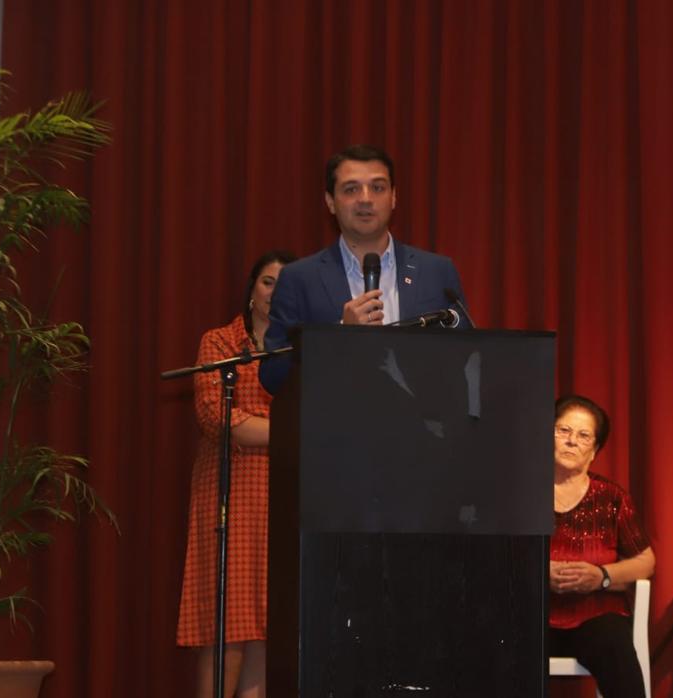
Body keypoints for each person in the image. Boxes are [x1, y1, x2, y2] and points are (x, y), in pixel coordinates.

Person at [259, 144, 470, 394]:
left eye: (378, 188)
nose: (366, 199)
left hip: (421, 427)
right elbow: (273, 375)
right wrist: (338, 337)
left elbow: (465, 357)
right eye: (351, 189)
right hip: (338, 428)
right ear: (330, 202)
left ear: (393, 197)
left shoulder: (436, 271)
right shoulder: (298, 278)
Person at [178, 249, 294, 698]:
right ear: (251, 293)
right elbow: (218, 420)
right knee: (226, 635)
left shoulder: (299, 352)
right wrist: (292, 430)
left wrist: (263, 427)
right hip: (228, 497)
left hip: (281, 499)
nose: (274, 292)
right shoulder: (220, 343)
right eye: (267, 282)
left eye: (286, 285)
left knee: (265, 635)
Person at [549, 394, 655, 698]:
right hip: (534, 613)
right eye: (563, 431)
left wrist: (602, 576)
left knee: (614, 644)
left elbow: (645, 561)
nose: (571, 442)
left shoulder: (612, 497)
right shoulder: (521, 491)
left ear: (594, 451)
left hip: (596, 615)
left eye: (583, 436)